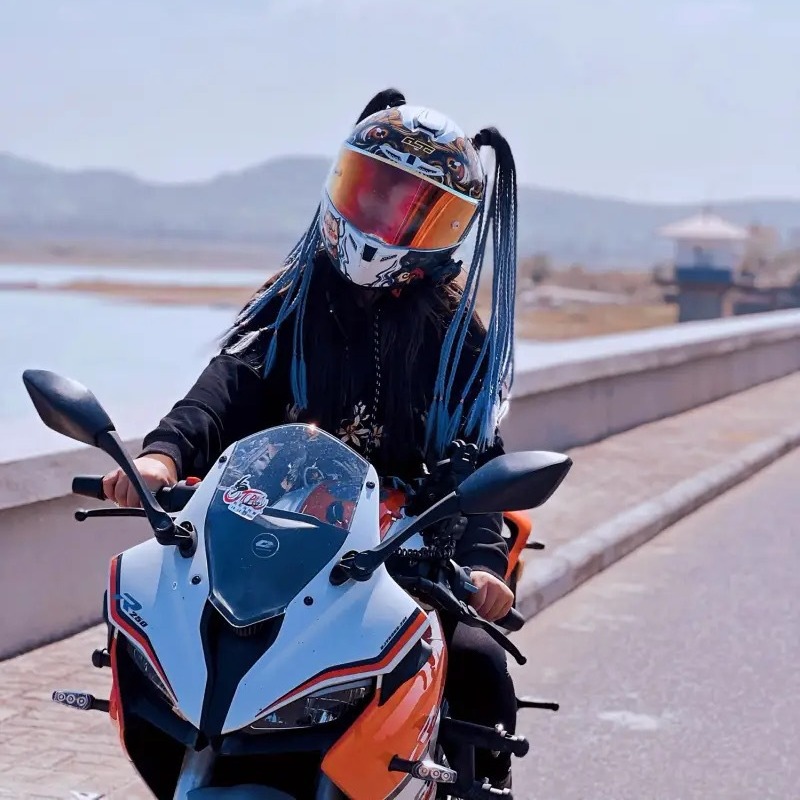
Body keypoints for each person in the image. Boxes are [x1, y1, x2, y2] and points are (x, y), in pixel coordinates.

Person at [103, 88, 520, 788]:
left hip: (405, 558)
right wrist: (160, 455)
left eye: (412, 208)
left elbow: (480, 465)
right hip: (279, 541)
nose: (382, 219)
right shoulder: (295, 303)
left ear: (448, 229)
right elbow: (228, 386)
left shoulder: (458, 341)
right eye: (373, 191)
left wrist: (481, 569)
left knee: (479, 666)